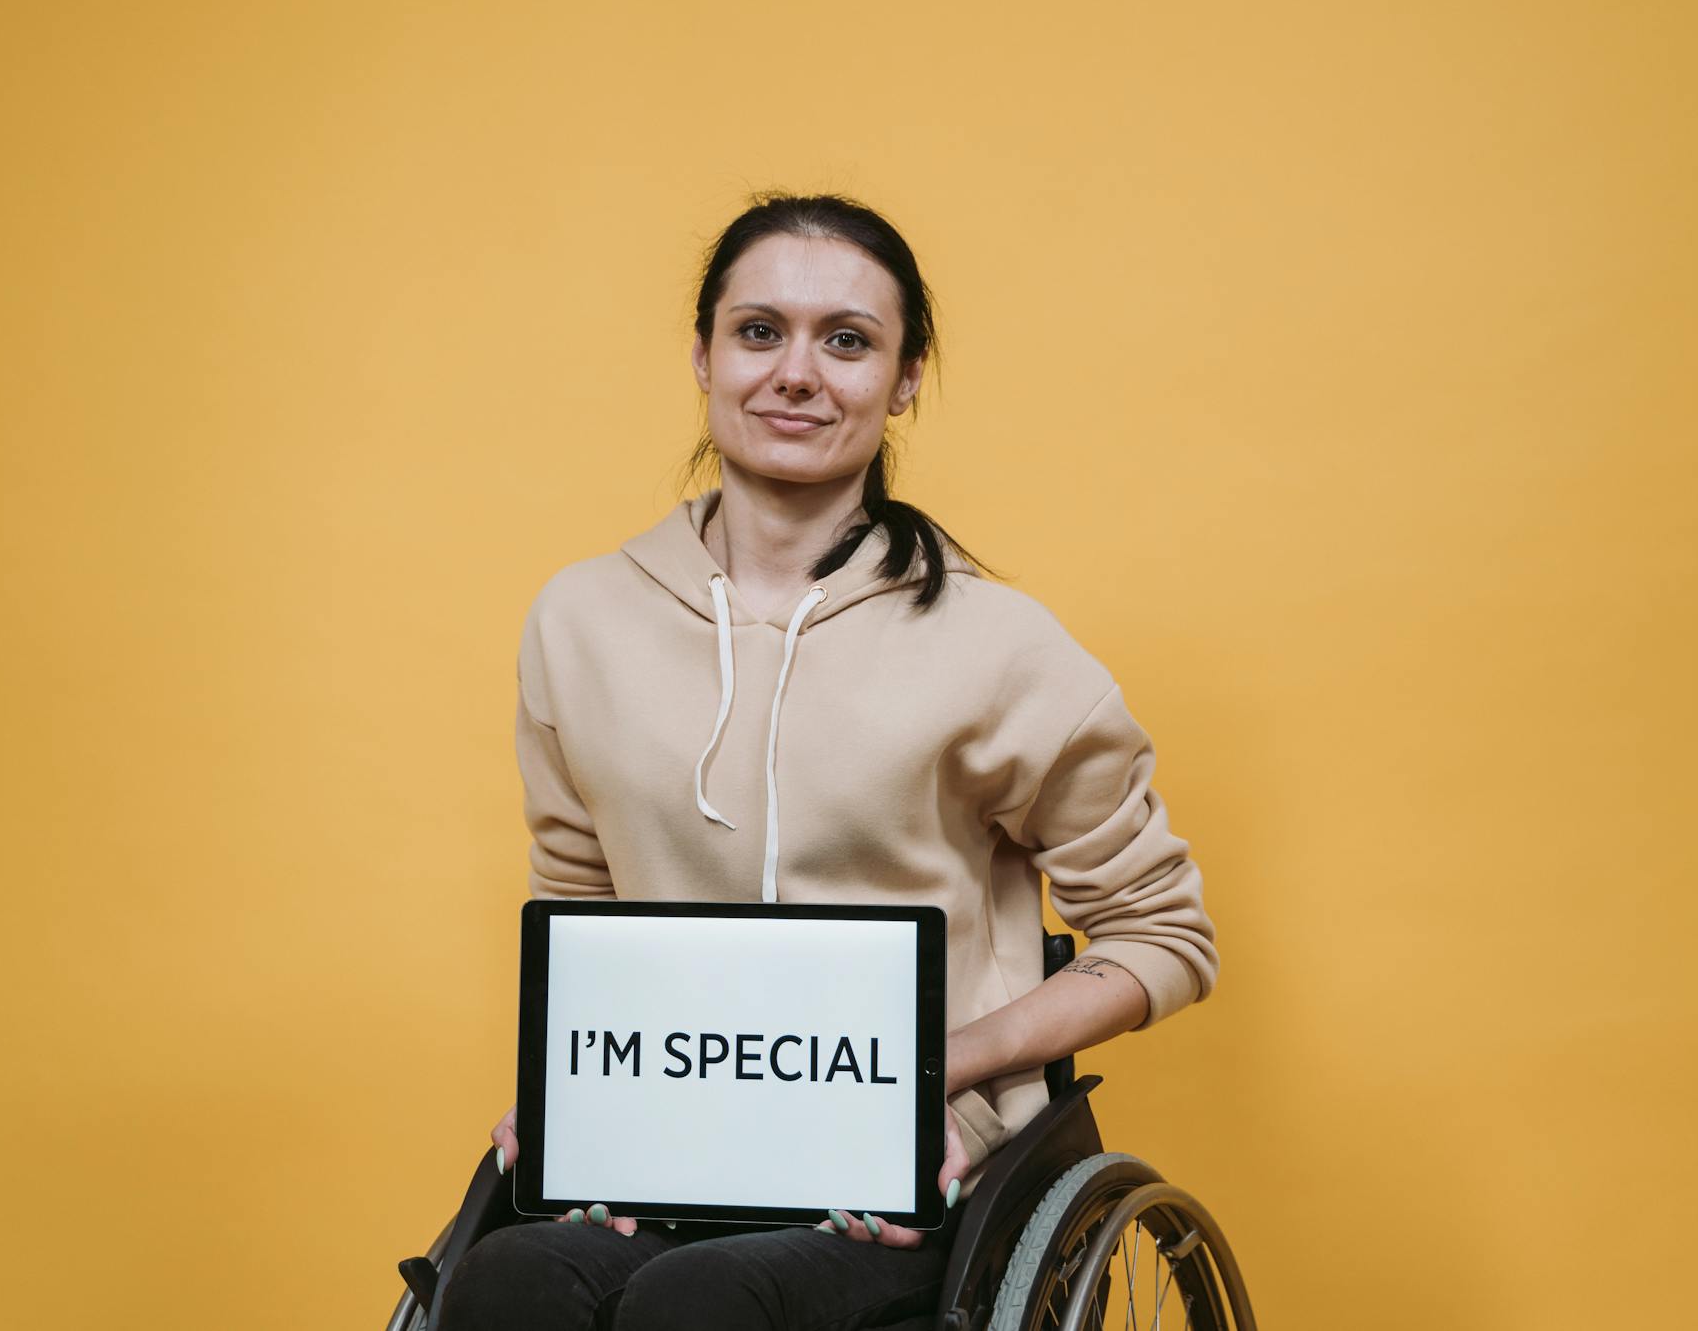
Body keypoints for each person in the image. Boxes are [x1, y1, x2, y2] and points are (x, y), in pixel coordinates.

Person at [437, 192, 1219, 1331]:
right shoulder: (580, 620)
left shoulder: (995, 646)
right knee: (502, 1283)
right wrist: (567, 1088)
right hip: (669, 1140)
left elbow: (1164, 935)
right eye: (759, 331)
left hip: (914, 1166)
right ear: (702, 354)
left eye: (846, 341)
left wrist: (931, 1072)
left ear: (903, 379)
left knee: (698, 1305)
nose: (796, 373)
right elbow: (578, 893)